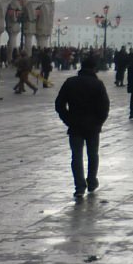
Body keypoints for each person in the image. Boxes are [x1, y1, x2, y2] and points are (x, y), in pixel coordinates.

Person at [55, 54, 110, 201]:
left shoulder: (70, 82)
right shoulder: (98, 84)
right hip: (93, 126)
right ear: (94, 68)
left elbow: (59, 104)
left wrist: (68, 119)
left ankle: (79, 187)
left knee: (76, 156)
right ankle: (91, 182)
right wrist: (99, 122)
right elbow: (105, 107)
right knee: (93, 155)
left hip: (75, 125)